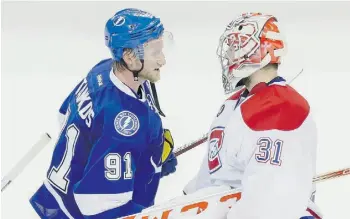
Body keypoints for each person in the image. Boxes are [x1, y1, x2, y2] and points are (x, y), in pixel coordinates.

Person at [29, 8, 177, 219]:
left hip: (57, 197)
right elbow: (101, 209)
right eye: (155, 53)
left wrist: (144, 156)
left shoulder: (104, 70)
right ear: (130, 57)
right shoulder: (123, 123)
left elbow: (65, 115)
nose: (163, 60)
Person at [180, 12, 322, 219]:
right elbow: (217, 173)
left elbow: (268, 204)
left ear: (257, 51)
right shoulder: (233, 103)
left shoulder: (281, 108)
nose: (228, 54)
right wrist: (190, 200)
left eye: (234, 46)